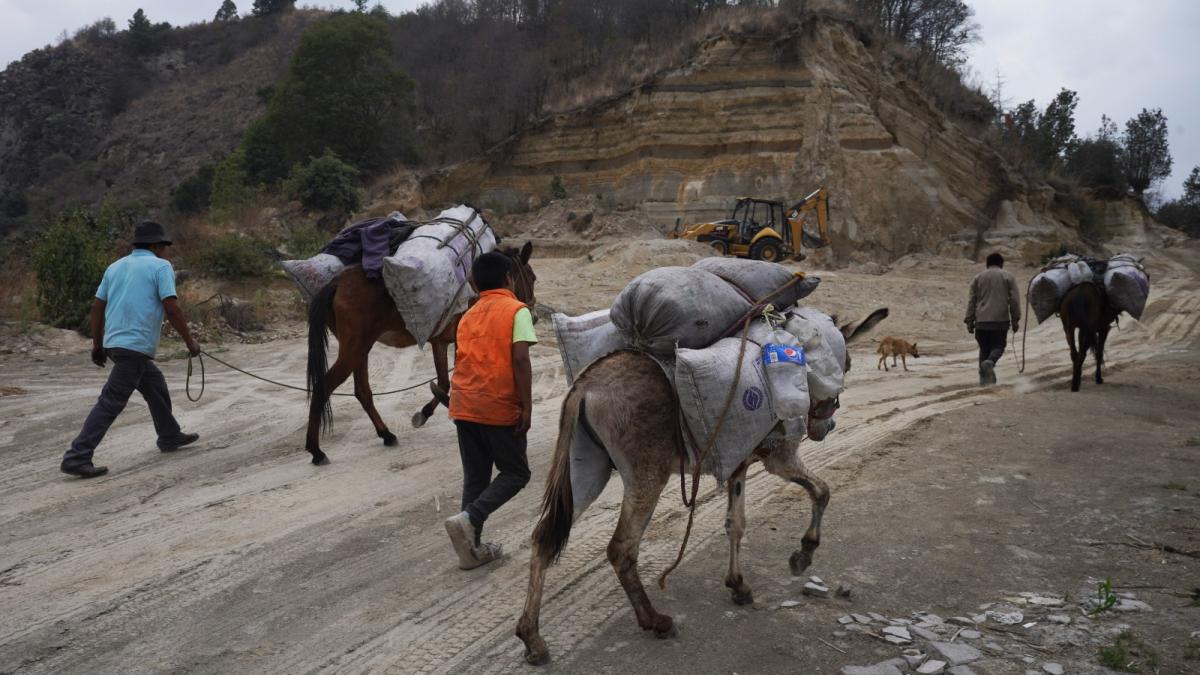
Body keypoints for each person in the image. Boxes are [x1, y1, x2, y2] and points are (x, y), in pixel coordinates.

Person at [61, 220, 202, 478]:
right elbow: (172, 308)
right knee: (111, 401)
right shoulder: (160, 266)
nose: (166, 251)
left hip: (115, 343)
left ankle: (169, 435)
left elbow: (96, 308)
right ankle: (77, 455)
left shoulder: (115, 267)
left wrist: (97, 344)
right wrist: (190, 341)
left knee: (154, 384)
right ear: (154, 245)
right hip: (135, 345)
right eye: (163, 246)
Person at [443, 251, 535, 570]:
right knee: (516, 473)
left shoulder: (468, 315)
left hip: (464, 405)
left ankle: (471, 549)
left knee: (476, 477)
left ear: (474, 283)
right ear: (510, 278)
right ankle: (470, 518)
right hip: (497, 406)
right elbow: (521, 360)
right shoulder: (517, 310)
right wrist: (526, 405)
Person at [965, 252, 1021, 386]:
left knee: (984, 348)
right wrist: (1015, 319)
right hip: (999, 320)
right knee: (998, 346)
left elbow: (972, 300)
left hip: (981, 321)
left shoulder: (978, 277)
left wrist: (969, 319)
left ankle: (984, 382)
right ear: (1001, 264)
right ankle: (990, 363)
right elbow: (1014, 300)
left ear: (987, 264)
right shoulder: (1008, 276)